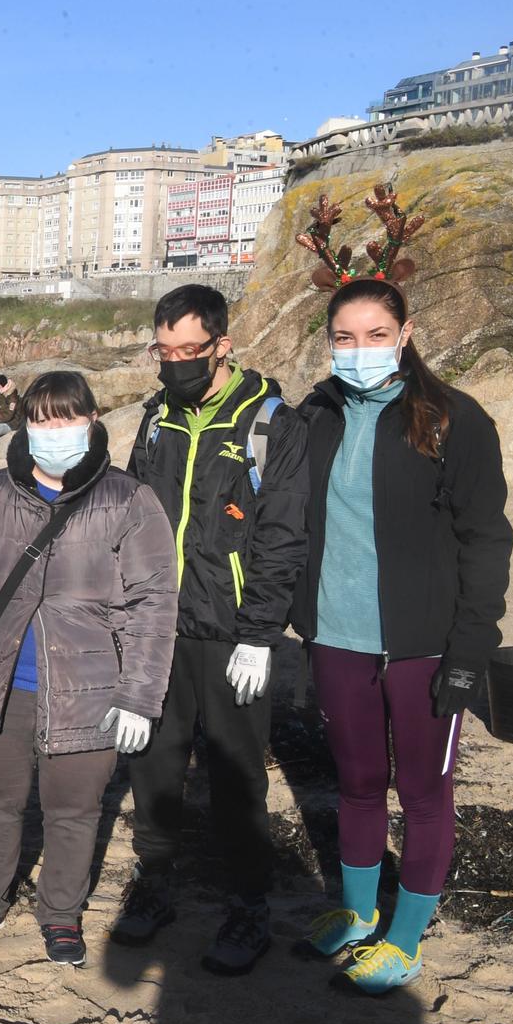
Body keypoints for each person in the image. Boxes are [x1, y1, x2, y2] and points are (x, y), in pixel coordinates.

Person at [0, 372, 178, 965]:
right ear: (24, 425)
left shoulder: (130, 500)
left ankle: (61, 916)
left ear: (94, 420)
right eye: (43, 419)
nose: (57, 432)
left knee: (74, 811)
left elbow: (154, 605)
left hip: (91, 691)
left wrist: (140, 697)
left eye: (69, 418)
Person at [290, 264, 512, 994]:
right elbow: (288, 521)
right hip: (338, 637)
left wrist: (469, 650)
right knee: (356, 783)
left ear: (407, 334)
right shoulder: (315, 415)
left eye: (378, 334)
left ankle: (406, 935)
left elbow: (486, 539)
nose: (361, 348)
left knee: (423, 790)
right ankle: (357, 915)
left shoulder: (451, 416)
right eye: (345, 337)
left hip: (425, 644)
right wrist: (300, 612)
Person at [110, 283, 309, 977]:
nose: (173, 363)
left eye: (188, 350)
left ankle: (248, 903)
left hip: (232, 636)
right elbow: (132, 510)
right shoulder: (157, 417)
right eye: (162, 350)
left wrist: (260, 634)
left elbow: (282, 538)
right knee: (155, 768)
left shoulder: (270, 423)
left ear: (223, 344)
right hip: (158, 629)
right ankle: (156, 885)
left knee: (234, 776)